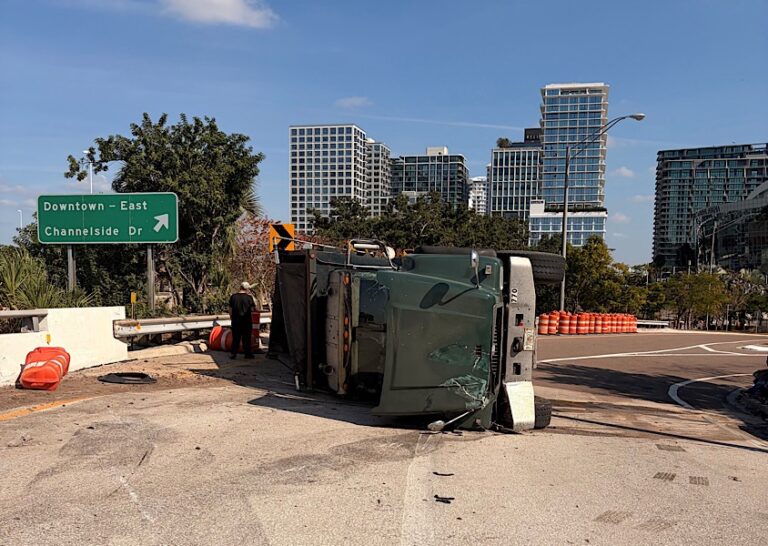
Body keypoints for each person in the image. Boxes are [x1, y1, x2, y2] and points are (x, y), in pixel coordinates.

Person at [229, 281, 256, 359]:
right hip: (246, 321)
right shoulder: (249, 298)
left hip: (235, 321)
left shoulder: (233, 297)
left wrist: (231, 318)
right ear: (247, 289)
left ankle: (233, 353)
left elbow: (230, 309)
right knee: (246, 338)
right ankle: (247, 353)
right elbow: (253, 309)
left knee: (236, 338)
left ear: (240, 287)